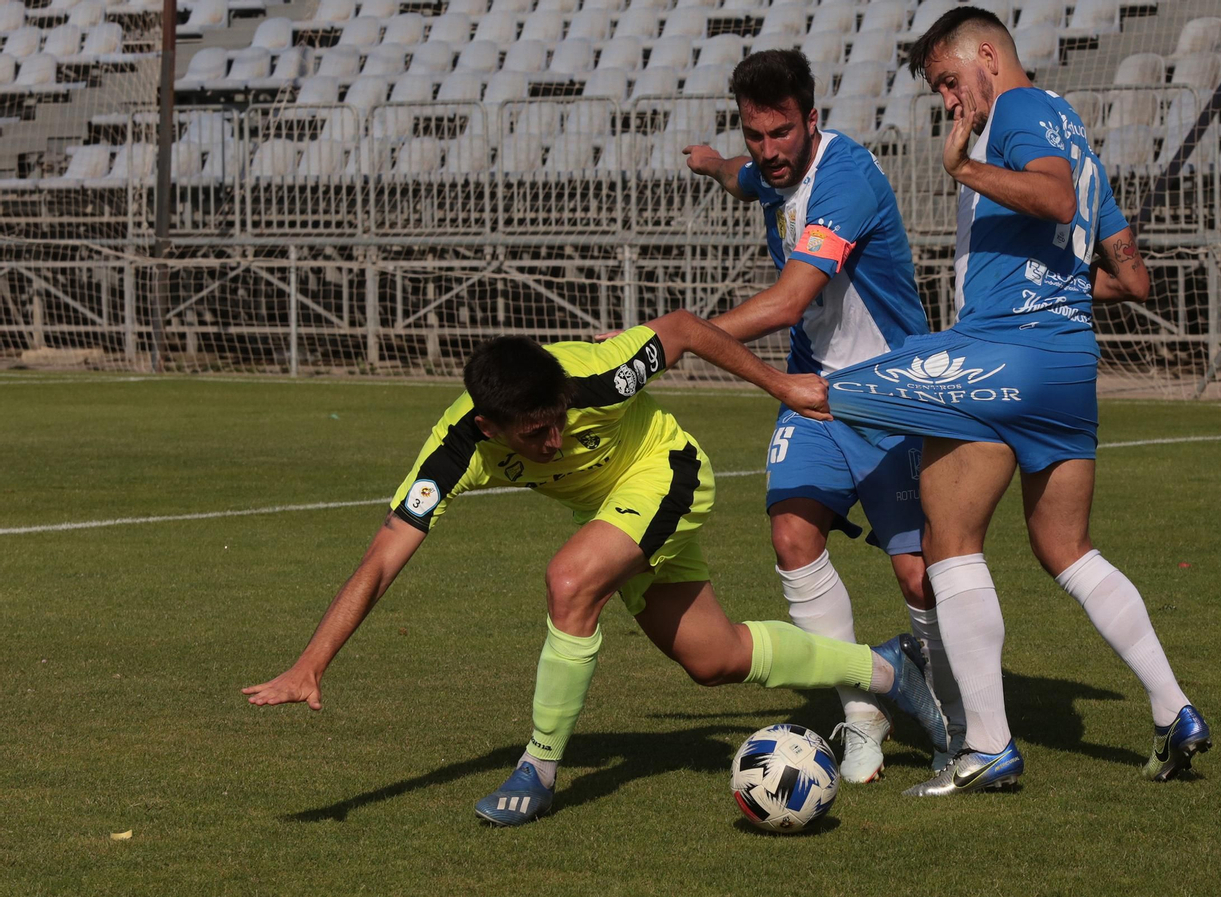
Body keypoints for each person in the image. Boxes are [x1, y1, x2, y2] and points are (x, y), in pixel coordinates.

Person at [242, 310, 947, 826]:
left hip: (665, 472)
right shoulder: (456, 448)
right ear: (489, 427)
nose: (553, 440)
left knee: (570, 580)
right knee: (716, 658)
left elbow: (684, 329)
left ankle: (538, 768)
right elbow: (382, 557)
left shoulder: (598, 373)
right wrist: (311, 663)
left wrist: (780, 386)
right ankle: (888, 667)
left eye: (558, 422)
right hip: (615, 512)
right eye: (534, 434)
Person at [822, 8, 1211, 795]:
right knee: (1066, 547)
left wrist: (962, 167)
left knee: (949, 536)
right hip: (1067, 365)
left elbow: (1056, 200)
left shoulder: (1020, 110)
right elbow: (1130, 277)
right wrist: (1056, 293)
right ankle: (1174, 708)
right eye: (939, 91)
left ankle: (988, 745)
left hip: (1001, 356)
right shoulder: (1077, 133)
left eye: (948, 81)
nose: (948, 102)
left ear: (989, 56)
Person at [681, 48, 961, 783]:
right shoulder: (770, 170)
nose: (767, 150)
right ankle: (863, 713)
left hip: (890, 392)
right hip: (812, 391)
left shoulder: (846, 178)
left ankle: (961, 718)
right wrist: (715, 163)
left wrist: (684, 337)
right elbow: (747, 181)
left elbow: (789, 301)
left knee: (916, 574)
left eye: (780, 133)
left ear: (812, 120)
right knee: (792, 534)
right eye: (754, 134)